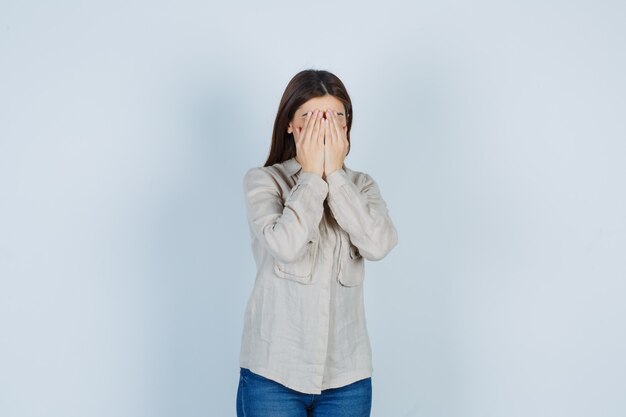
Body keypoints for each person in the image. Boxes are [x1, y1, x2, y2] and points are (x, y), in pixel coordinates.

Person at [236, 69, 398, 417]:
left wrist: (336, 177)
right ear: (290, 125)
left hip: (347, 378)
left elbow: (379, 244)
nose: (323, 127)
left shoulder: (362, 186)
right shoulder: (264, 182)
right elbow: (285, 246)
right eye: (310, 117)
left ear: (346, 127)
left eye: (334, 117)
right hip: (273, 375)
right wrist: (311, 177)